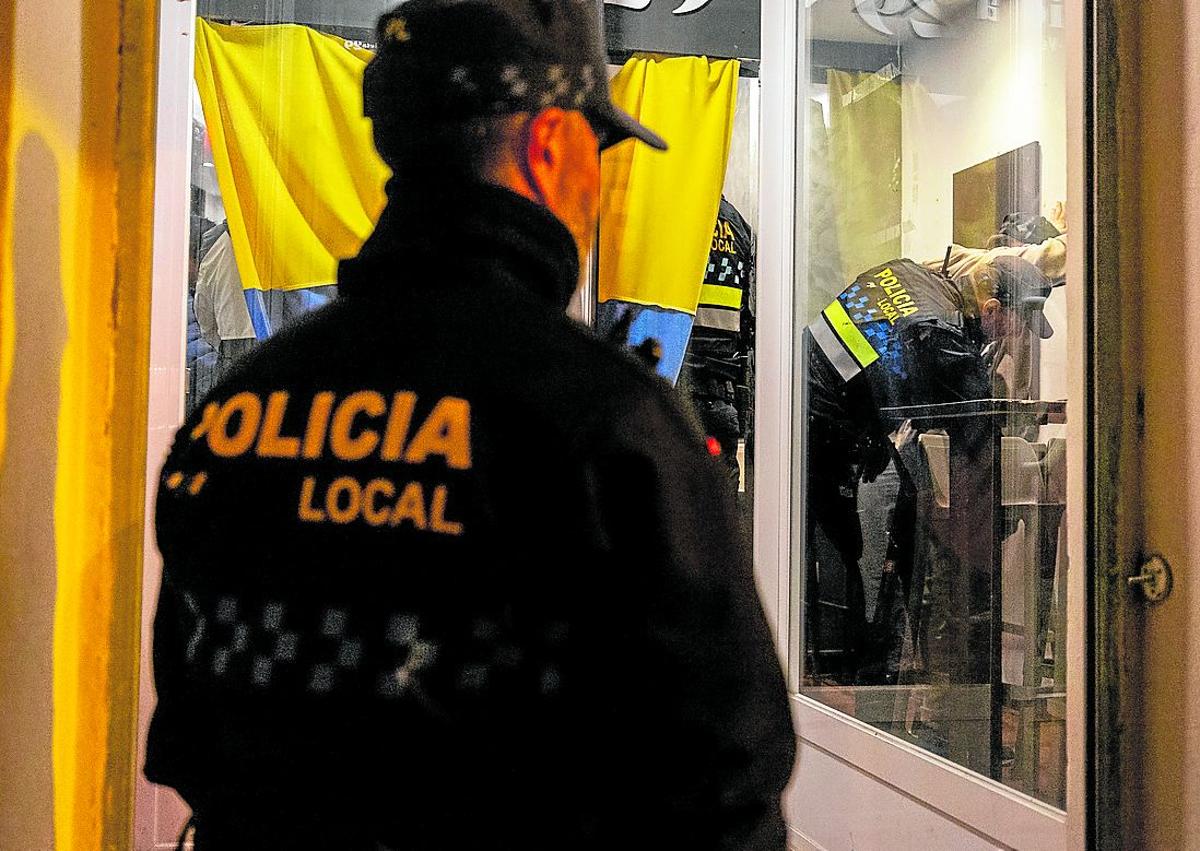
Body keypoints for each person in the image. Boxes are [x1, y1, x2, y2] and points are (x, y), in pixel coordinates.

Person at [145, 1, 795, 848]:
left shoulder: (242, 413)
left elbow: (194, 718)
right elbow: (726, 778)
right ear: (552, 146)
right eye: (598, 155)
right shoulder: (604, 423)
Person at [803, 253, 1054, 683]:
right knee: (842, 548)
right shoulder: (941, 334)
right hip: (819, 423)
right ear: (992, 310)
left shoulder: (911, 274)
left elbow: (881, 369)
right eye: (1018, 323)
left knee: (825, 544)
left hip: (804, 397)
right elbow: (972, 429)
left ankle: (840, 665)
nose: (1018, 337)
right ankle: (842, 671)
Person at [680, 196, 756, 500]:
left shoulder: (677, 210)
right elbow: (748, 318)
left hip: (680, 382)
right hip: (722, 391)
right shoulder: (738, 225)